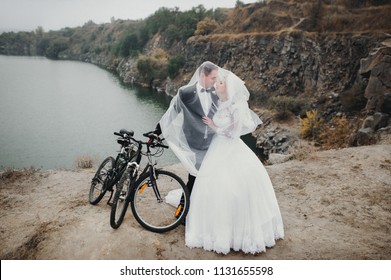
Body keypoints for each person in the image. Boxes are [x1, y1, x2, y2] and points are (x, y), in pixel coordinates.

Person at [185, 67, 284, 254]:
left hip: (229, 147)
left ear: (228, 87)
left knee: (232, 187)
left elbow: (233, 132)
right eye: (216, 81)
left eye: (220, 82)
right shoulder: (221, 103)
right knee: (212, 185)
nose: (217, 84)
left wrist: (214, 126)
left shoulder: (235, 106)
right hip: (217, 148)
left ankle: (236, 234)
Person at [154, 61, 219, 197]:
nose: (215, 81)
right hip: (193, 143)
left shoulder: (216, 93)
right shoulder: (185, 92)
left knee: (211, 175)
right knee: (194, 177)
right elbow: (171, 114)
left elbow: (225, 114)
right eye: (213, 78)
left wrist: (217, 125)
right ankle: (184, 209)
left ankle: (202, 203)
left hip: (213, 142)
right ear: (203, 75)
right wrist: (156, 132)